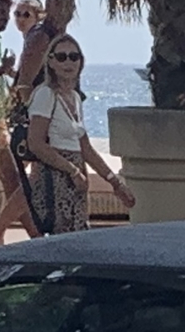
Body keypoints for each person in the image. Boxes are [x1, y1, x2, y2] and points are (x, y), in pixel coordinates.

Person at [0, 0, 77, 247]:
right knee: (36, 179)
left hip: (56, 116)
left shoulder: (58, 34)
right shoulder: (41, 36)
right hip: (41, 120)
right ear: (49, 4)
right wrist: (37, 117)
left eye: (70, 0)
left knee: (35, 179)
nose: (65, 6)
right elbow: (24, 83)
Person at [22, 34, 133, 237]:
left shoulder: (74, 98)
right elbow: (36, 143)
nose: (68, 62)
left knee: (76, 236)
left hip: (75, 183)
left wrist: (115, 182)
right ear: (51, 61)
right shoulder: (46, 94)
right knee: (59, 238)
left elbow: (86, 149)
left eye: (74, 57)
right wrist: (72, 170)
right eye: (62, 57)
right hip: (53, 179)